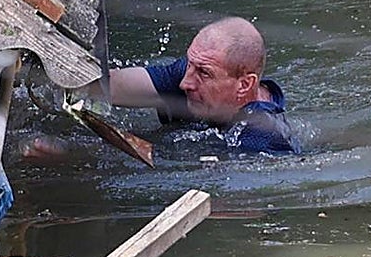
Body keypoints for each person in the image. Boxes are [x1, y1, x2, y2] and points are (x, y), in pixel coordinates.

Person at [106, 16, 299, 154]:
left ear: (244, 85)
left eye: (204, 73)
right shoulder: (193, 71)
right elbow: (109, 87)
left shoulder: (263, 136)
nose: (185, 83)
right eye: (190, 64)